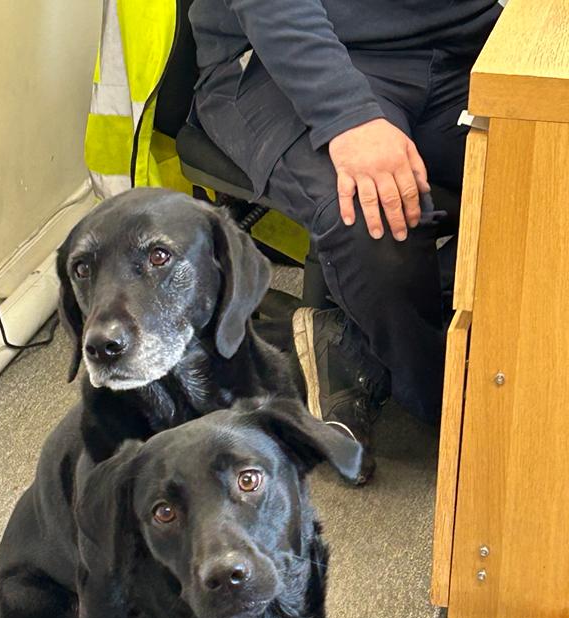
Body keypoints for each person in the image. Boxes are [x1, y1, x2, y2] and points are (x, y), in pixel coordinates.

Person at [189, 0, 503, 480]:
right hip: (283, 56)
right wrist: (348, 115)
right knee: (376, 225)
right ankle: (468, 412)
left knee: (545, 173)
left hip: (461, 48)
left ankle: (355, 344)